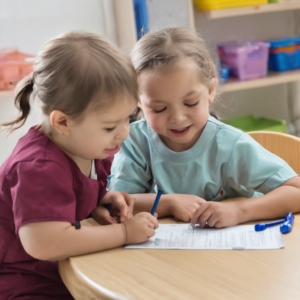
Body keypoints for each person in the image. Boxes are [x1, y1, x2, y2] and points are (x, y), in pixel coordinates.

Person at [0, 31, 158, 300]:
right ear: (62, 122)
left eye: (128, 118)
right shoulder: (38, 166)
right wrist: (123, 232)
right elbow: (44, 242)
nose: (124, 133)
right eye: (110, 126)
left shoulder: (87, 145)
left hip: (63, 270)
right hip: (23, 281)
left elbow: (72, 192)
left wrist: (101, 198)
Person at [108, 27, 300, 228]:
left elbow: (296, 191)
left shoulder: (230, 145)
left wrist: (238, 211)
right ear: (138, 101)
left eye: (190, 103)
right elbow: (119, 204)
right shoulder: (135, 141)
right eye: (159, 108)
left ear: (211, 90)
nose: (177, 118)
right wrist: (169, 204)